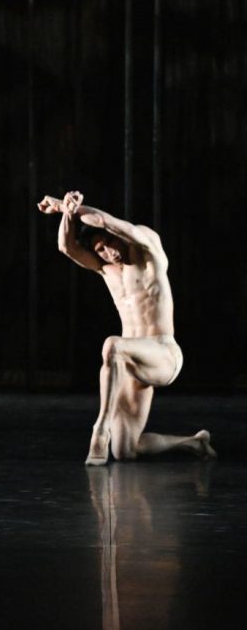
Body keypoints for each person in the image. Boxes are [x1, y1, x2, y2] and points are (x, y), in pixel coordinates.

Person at [38, 190, 216, 465]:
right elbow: (67, 247)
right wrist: (68, 216)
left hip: (163, 354)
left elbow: (106, 221)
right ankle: (194, 442)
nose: (109, 252)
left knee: (113, 344)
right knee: (125, 450)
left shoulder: (148, 252)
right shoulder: (107, 270)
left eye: (110, 243)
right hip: (130, 364)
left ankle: (100, 429)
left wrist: (67, 205)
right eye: (100, 250)